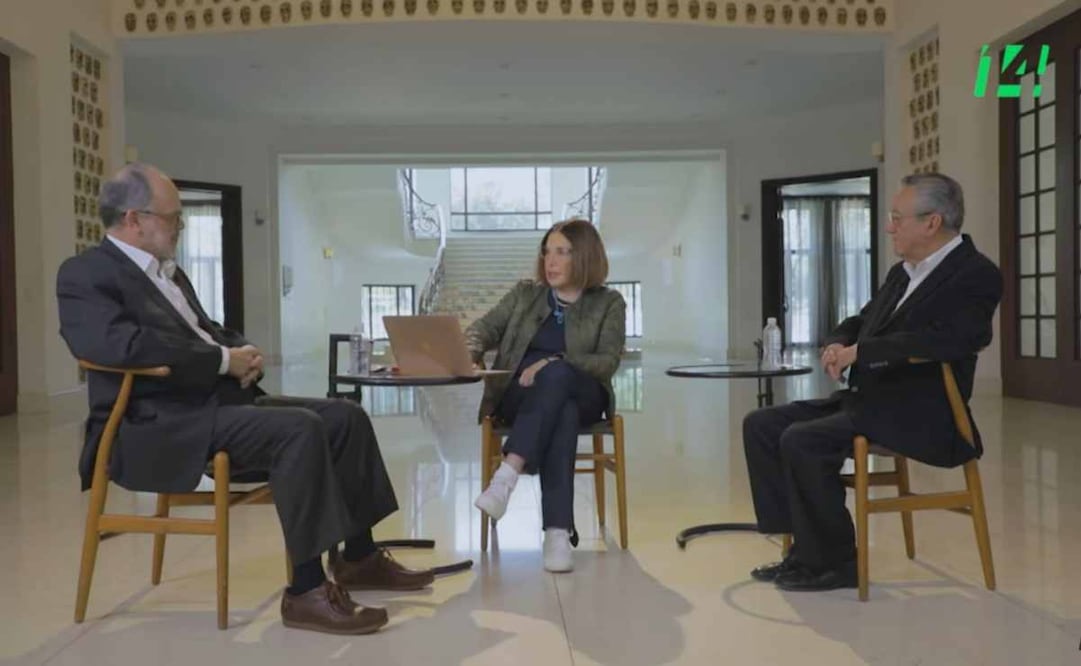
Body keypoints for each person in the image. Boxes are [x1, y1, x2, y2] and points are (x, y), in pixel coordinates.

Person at [56, 163, 433, 635]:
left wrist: (239, 351)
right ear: (135, 220)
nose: (180, 227)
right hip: (157, 421)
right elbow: (115, 347)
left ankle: (359, 558)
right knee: (300, 428)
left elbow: (205, 330)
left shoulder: (168, 275)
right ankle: (306, 591)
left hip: (217, 404)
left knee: (345, 416)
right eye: (174, 218)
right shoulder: (85, 274)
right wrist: (219, 360)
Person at [742, 173, 1002, 592]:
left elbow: (955, 339)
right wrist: (838, 342)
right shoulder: (904, 273)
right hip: (871, 402)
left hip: (922, 412)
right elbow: (863, 320)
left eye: (898, 218)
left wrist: (864, 352)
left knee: (802, 440)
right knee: (762, 424)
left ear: (931, 223)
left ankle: (835, 563)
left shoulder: (975, 274)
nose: (889, 226)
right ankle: (802, 553)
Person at [467, 218, 626, 573]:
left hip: (585, 391)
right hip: (520, 395)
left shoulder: (609, 303)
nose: (550, 262)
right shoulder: (526, 295)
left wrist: (554, 361)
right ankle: (557, 532)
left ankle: (508, 475)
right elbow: (483, 327)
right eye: (547, 252)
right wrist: (470, 351)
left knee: (557, 378)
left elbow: (607, 362)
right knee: (561, 411)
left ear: (584, 256)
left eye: (562, 252)